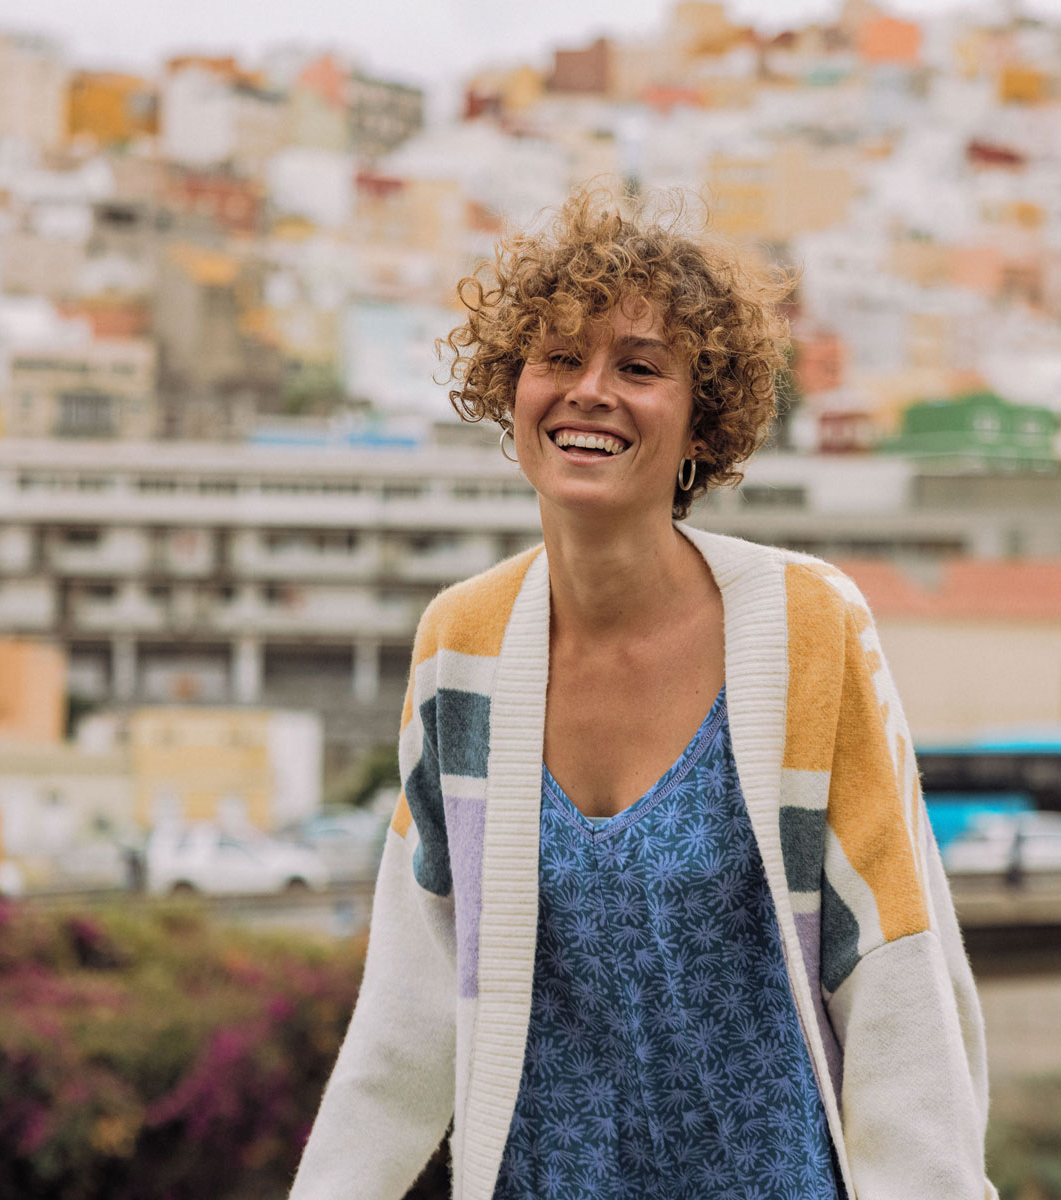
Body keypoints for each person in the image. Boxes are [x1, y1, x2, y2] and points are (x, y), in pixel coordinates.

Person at [289, 191, 994, 1200]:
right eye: (559, 359)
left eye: (639, 366)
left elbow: (893, 976)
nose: (590, 392)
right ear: (510, 391)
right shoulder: (462, 650)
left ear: (702, 418)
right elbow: (405, 1017)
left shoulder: (807, 628)